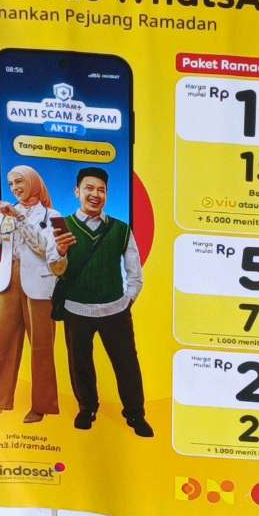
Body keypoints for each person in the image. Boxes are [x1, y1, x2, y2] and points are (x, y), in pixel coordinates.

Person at [51, 167, 151, 437]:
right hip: (76, 308)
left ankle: (135, 414)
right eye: (89, 188)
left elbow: (134, 271)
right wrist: (60, 251)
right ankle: (87, 409)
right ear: (77, 192)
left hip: (115, 310)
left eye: (101, 190)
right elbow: (54, 270)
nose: (95, 194)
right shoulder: (61, 227)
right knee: (79, 363)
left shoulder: (121, 229)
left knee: (127, 364)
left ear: (107, 194)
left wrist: (128, 299)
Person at [0, 166, 65, 425]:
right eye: (11, 184)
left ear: (34, 182)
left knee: (42, 346)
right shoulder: (5, 212)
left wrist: (20, 218)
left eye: (19, 182)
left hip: (40, 285)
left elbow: (44, 249)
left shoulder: (53, 216)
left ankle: (42, 406)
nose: (14, 188)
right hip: (7, 281)